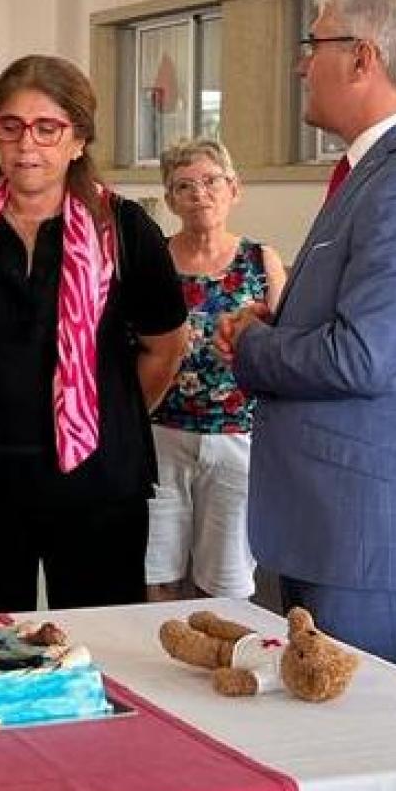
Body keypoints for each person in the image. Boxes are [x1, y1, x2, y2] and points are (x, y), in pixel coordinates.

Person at [216, 0, 396, 675]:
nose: (301, 65)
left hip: (371, 531)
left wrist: (255, 344)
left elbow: (364, 358)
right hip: (341, 521)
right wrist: (284, 323)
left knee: (366, 727)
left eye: (314, 44)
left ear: (363, 57)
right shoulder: (384, 169)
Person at [0, 56, 188, 615]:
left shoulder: (124, 229)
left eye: (47, 128)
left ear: (78, 139)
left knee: (102, 644)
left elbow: (165, 347)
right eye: (11, 126)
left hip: (97, 476)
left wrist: (98, 413)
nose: (27, 144)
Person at [145, 138, 286, 603]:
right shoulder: (153, 259)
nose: (199, 194)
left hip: (237, 435)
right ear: (170, 200)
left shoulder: (261, 260)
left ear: (234, 189)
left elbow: (284, 345)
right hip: (161, 433)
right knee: (155, 571)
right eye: (184, 186)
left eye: (211, 181)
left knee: (225, 581)